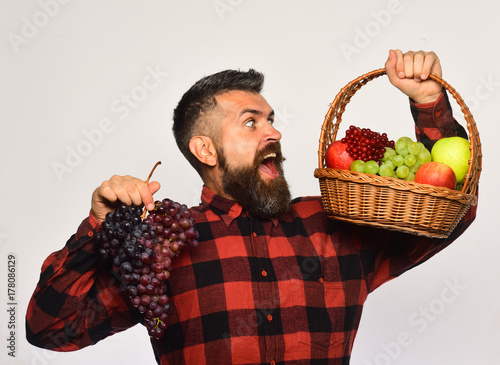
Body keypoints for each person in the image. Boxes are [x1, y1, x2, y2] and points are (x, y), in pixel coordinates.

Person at [26, 49, 476, 364]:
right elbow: (50, 328)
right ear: (205, 149)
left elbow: (450, 211)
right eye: (250, 122)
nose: (274, 133)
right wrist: (98, 227)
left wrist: (428, 104)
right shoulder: (161, 244)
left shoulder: (333, 222)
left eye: (271, 120)